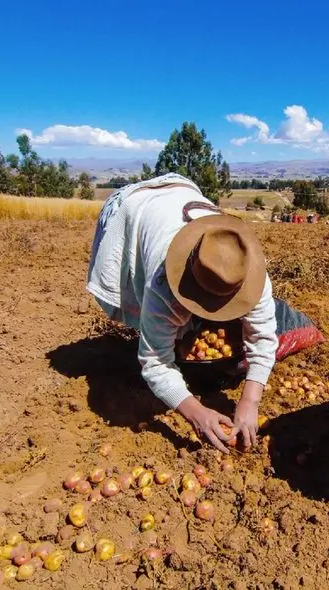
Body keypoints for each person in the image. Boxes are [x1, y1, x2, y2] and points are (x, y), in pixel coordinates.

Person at [87, 173, 277, 453]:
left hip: (181, 191)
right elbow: (155, 362)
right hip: (138, 208)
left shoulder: (246, 271)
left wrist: (250, 400)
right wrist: (196, 413)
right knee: (156, 329)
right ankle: (162, 331)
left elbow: (262, 337)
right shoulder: (162, 283)